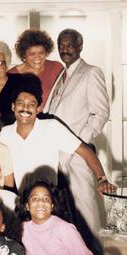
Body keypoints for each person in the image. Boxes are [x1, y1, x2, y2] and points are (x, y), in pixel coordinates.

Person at [44, 29, 110, 235]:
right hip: (57, 155)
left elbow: (100, 113)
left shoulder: (91, 72)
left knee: (85, 208)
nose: (65, 50)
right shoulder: (62, 75)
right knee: (66, 209)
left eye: (70, 45)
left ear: (80, 46)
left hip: (77, 154)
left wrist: (78, 144)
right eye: (61, 45)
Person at [0, 82, 116, 196]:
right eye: (21, 103)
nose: (25, 108)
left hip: (50, 202)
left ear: (38, 108)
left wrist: (102, 180)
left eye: (31, 104)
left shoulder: (51, 127)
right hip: (21, 202)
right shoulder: (3, 134)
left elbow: (86, 152)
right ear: (13, 106)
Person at [8, 29, 63, 109]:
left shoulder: (56, 68)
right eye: (32, 54)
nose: (37, 57)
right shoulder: (12, 75)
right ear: (24, 55)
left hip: (52, 119)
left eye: (41, 53)